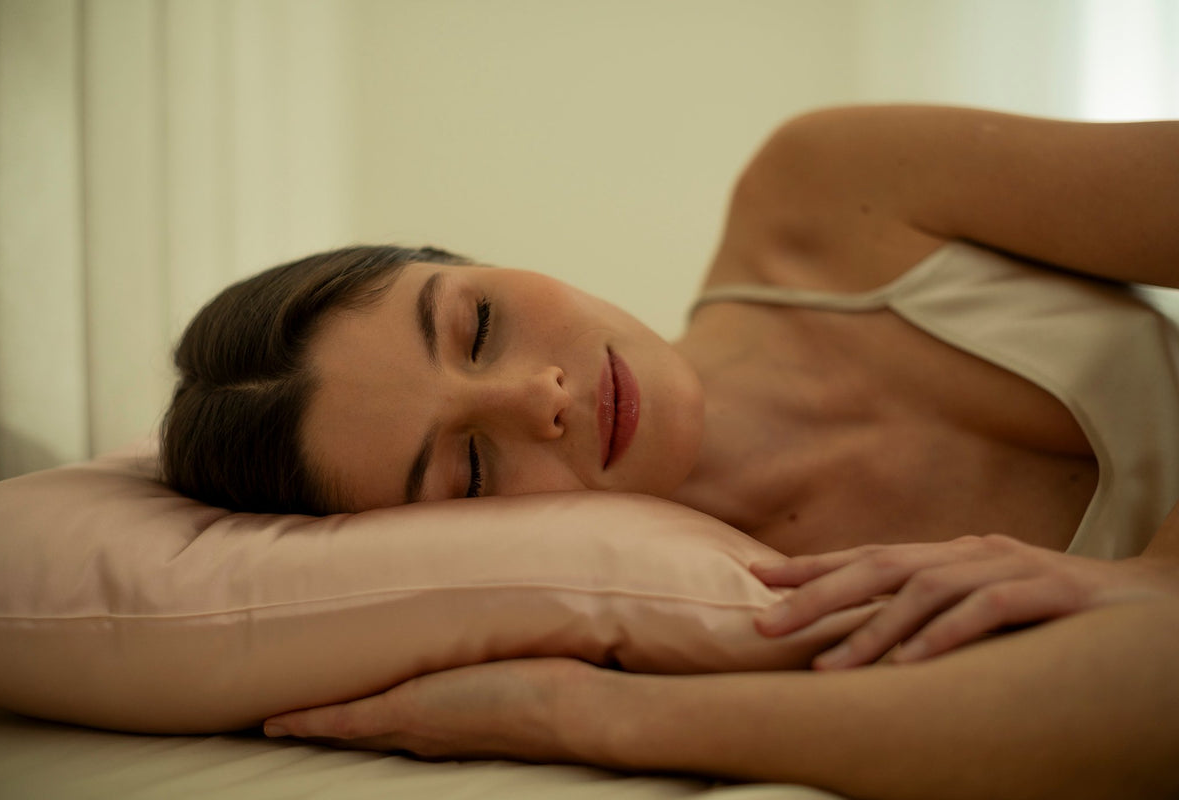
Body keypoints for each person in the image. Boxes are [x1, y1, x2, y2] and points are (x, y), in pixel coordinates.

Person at [165, 105, 1179, 797]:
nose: (538, 396)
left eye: (477, 324)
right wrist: (581, 713)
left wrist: (1158, 572)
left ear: (475, 260)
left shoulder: (828, 191)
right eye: (468, 468)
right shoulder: (723, 627)